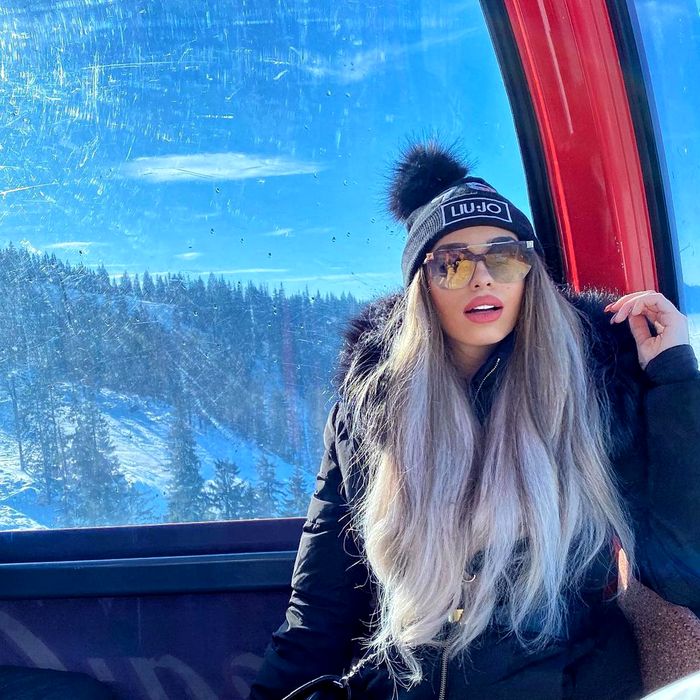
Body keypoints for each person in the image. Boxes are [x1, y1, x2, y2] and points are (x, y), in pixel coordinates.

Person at [249, 141, 700, 699]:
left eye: (504, 256)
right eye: (454, 262)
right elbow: (321, 609)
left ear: (529, 273)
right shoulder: (371, 414)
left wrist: (674, 380)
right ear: (422, 287)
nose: (483, 277)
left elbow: (683, 571)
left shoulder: (593, 396)